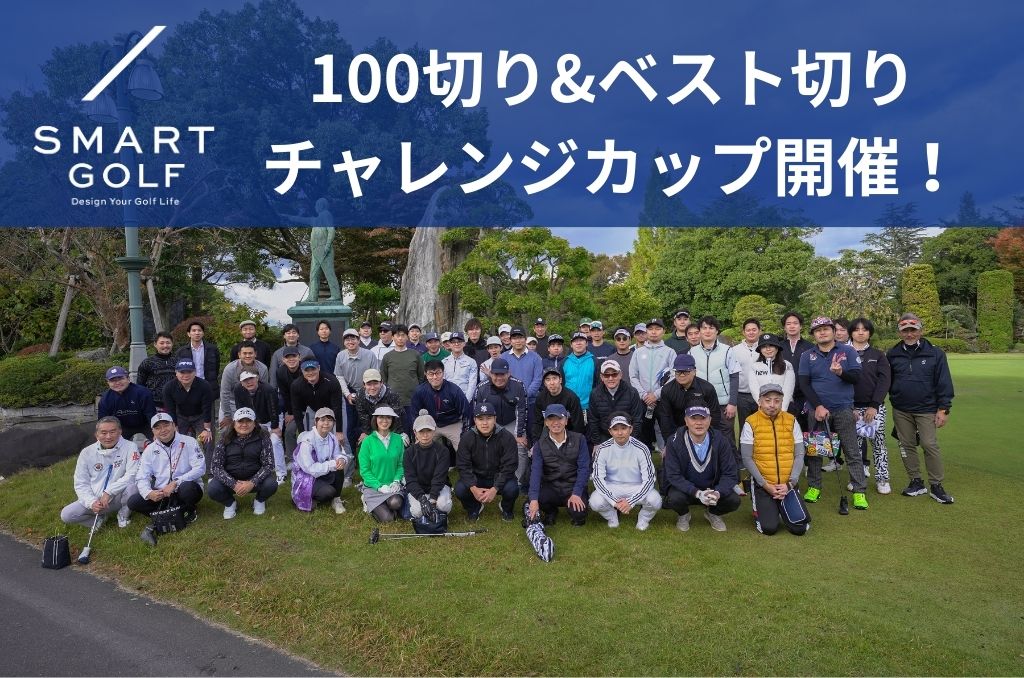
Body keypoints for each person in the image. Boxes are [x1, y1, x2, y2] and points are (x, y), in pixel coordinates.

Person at [798, 316, 866, 509]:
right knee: (815, 451)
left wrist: (840, 373)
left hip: (843, 409)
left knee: (852, 450)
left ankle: (859, 491)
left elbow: (857, 377)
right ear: (813, 335)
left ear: (834, 331)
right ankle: (814, 487)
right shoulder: (807, 355)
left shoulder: (848, 351)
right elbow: (804, 384)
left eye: (826, 329)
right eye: (817, 330)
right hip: (817, 411)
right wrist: (818, 406)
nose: (822, 332)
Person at [886, 313, 955, 504]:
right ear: (900, 332)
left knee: (929, 444)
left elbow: (944, 382)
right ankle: (916, 481)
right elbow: (886, 380)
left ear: (920, 331)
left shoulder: (935, 353)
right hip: (901, 409)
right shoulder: (893, 353)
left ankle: (936, 485)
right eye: (905, 330)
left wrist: (943, 409)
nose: (909, 334)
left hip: (927, 408)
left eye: (913, 330)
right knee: (906, 445)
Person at [740, 384, 810, 536]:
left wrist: (790, 484)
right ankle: (766, 508)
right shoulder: (750, 422)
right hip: (763, 485)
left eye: (777, 400)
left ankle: (780, 505)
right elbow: (746, 458)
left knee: (800, 529)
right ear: (759, 401)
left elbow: (799, 454)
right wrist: (765, 485)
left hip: (788, 485)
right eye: (767, 400)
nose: (772, 405)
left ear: (782, 401)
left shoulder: (791, 420)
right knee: (769, 528)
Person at [129, 413, 206, 546]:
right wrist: (149, 493)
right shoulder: (149, 450)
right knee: (133, 501)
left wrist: (176, 482)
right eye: (158, 428)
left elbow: (200, 468)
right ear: (153, 431)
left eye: (166, 425)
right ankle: (173, 513)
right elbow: (141, 476)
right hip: (162, 493)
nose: (163, 430)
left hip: (184, 488)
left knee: (188, 489)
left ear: (174, 425)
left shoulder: (189, 441)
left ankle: (189, 509)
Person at [663, 405, 740, 532]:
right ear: (686, 421)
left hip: (712, 490)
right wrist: (697, 493)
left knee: (733, 500)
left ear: (710, 420)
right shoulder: (674, 441)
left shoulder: (721, 440)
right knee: (674, 499)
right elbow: (673, 475)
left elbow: (730, 473)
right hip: (687, 491)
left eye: (703, 418)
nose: (699, 423)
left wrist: (717, 492)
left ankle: (713, 513)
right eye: (694, 418)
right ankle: (684, 515)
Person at [60, 416, 139, 529]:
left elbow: (133, 474)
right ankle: (98, 519)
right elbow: (81, 483)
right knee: (67, 515)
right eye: (104, 433)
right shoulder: (86, 452)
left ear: (120, 432)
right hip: (97, 500)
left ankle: (123, 515)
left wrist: (109, 492)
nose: (108, 436)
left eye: (113, 432)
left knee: (133, 488)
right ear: (96, 434)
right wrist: (92, 502)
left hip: (118, 497)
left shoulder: (131, 446)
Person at [589, 414, 661, 530]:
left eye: (623, 428)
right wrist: (614, 502)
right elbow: (598, 478)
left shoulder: (642, 448)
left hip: (636, 486)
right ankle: (612, 516)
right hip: (612, 486)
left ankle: (643, 518)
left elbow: (649, 480)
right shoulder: (602, 448)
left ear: (630, 429)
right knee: (595, 502)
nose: (620, 433)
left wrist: (630, 502)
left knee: (655, 500)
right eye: (615, 429)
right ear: (610, 431)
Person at [849, 317, 893, 495]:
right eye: (856, 329)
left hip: (874, 408)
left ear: (869, 333)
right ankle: (857, 479)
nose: (860, 332)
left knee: (878, 444)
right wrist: (850, 406)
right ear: (851, 333)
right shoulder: (843, 353)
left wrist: (874, 406)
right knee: (855, 447)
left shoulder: (878, 355)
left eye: (864, 329)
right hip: (851, 408)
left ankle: (882, 479)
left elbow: (884, 381)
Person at [527, 404, 591, 526]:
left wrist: (577, 493)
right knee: (535, 498)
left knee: (579, 514)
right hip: (552, 487)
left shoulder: (579, 439)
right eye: (551, 419)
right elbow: (535, 472)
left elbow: (584, 468)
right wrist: (534, 499)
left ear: (566, 421)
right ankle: (551, 512)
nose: (556, 423)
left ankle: (576, 507)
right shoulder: (539, 445)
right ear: (546, 422)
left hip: (572, 486)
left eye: (560, 418)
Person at [208, 407, 278, 518]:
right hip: (231, 478)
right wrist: (233, 484)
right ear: (234, 423)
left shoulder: (263, 438)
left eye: (248, 421)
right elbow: (216, 467)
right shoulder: (224, 438)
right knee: (213, 489)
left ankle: (259, 500)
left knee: (271, 484)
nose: (244, 425)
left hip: (255, 478)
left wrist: (252, 482)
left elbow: (269, 465)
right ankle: (230, 503)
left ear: (254, 424)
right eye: (240, 421)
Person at [455, 402, 520, 521]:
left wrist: (495, 488)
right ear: (475, 420)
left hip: (498, 476)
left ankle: (506, 508)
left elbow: (510, 466)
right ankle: (474, 507)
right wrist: (473, 488)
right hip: (477, 477)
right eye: (480, 419)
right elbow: (463, 465)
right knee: (460, 489)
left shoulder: (507, 437)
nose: (485, 423)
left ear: (495, 419)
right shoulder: (467, 438)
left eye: (489, 418)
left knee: (512, 489)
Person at [474, 358, 529, 488]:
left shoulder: (518, 385)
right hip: (491, 421)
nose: (499, 378)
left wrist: (519, 434)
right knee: (484, 446)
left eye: (502, 374)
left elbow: (522, 410)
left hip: (512, 421)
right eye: (495, 374)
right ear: (491, 374)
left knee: (520, 447)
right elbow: (477, 413)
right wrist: (484, 429)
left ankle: (517, 480)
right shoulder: (481, 388)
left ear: (508, 373)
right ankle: (489, 477)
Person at [688, 317, 740, 448]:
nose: (707, 331)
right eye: (704, 328)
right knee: (702, 437)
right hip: (700, 402)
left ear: (717, 331)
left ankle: (731, 460)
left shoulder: (727, 350)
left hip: (723, 404)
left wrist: (732, 403)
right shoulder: (692, 352)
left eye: (711, 328)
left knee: (726, 437)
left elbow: (734, 377)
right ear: (699, 331)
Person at [291, 407, 351, 513]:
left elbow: (338, 454)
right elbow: (310, 469)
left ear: (334, 423)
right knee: (328, 492)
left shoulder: (332, 437)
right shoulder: (307, 441)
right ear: (316, 422)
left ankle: (336, 500)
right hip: (307, 477)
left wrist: (341, 459)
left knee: (339, 466)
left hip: (322, 472)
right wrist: (332, 464)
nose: (326, 423)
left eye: (330, 420)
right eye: (322, 420)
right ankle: (307, 499)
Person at [629, 318, 676, 450]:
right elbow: (633, 376)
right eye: (650, 329)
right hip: (643, 401)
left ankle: (668, 460)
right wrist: (644, 395)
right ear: (646, 331)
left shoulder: (670, 352)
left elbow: (674, 376)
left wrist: (656, 394)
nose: (654, 332)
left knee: (667, 433)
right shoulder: (638, 352)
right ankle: (645, 461)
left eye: (657, 329)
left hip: (663, 400)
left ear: (663, 331)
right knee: (643, 434)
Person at [656, 353, 724, 444]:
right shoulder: (667, 390)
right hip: (677, 433)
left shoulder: (707, 388)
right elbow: (666, 419)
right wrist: (670, 442)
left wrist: (708, 438)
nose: (681, 375)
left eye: (686, 371)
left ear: (694, 371)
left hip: (703, 432)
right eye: (678, 371)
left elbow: (714, 416)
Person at [233, 370, 287, 484]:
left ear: (257, 378)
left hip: (272, 419)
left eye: (251, 378)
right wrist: (245, 425)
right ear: (241, 383)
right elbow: (240, 409)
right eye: (245, 380)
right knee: (249, 441)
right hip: (252, 420)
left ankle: (281, 473)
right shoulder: (238, 389)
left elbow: (273, 410)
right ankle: (252, 471)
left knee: (274, 441)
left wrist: (275, 427)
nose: (249, 382)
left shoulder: (268, 389)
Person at [358, 405, 408, 523]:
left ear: (392, 420)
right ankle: (367, 499)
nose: (384, 421)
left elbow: (401, 464)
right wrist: (379, 486)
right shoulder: (367, 442)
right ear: (375, 419)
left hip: (393, 486)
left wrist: (396, 480)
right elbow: (365, 471)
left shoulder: (398, 439)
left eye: (388, 418)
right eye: (381, 417)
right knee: (388, 519)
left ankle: (385, 504)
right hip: (373, 487)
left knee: (395, 503)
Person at [334, 327, 380, 455]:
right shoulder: (340, 356)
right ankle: (352, 455)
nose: (350, 342)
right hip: (349, 391)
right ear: (344, 342)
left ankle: (369, 453)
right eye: (347, 339)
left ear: (358, 340)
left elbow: (376, 374)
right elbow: (339, 377)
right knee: (350, 426)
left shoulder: (369, 354)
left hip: (368, 390)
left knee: (368, 423)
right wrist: (347, 394)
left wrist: (367, 391)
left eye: (353, 338)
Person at [411, 360, 471, 453]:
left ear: (443, 373)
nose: (435, 377)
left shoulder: (454, 390)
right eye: (431, 374)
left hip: (452, 423)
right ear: (426, 374)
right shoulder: (420, 391)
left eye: (438, 373)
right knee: (418, 449)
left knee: (464, 448)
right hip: (429, 424)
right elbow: (414, 414)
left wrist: (465, 432)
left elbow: (466, 412)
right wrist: (417, 432)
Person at [404, 409, 454, 520]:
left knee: (443, 506)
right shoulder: (409, 453)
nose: (425, 435)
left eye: (429, 430)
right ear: (415, 432)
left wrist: (432, 499)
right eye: (421, 431)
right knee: (417, 512)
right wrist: (422, 499)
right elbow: (410, 479)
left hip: (439, 487)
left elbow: (439, 477)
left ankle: (439, 506)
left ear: (434, 430)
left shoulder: (443, 451)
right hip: (419, 488)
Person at [162, 359, 214, 457]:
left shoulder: (205, 386)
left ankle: (209, 466)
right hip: (181, 416)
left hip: (200, 416)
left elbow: (207, 408)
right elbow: (170, 410)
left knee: (208, 439)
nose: (186, 375)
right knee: (174, 440)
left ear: (195, 372)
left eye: (189, 372)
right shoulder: (168, 388)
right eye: (182, 372)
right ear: (176, 373)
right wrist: (175, 428)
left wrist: (207, 429)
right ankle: (177, 463)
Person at [587, 361, 645, 447]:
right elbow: (593, 420)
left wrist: (632, 442)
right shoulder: (594, 394)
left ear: (620, 375)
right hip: (604, 437)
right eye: (606, 375)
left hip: (628, 437)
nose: (610, 378)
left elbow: (637, 420)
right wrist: (597, 443)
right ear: (601, 377)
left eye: (614, 374)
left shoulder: (632, 392)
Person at [380, 324, 426, 432]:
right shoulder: (387, 357)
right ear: (392, 337)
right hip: (393, 401)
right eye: (397, 335)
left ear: (407, 337)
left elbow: (421, 376)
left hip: (412, 400)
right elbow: (384, 378)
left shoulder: (415, 355)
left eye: (403, 335)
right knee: (396, 431)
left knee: (414, 429)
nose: (400, 338)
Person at [289, 359, 345, 440]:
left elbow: (337, 407)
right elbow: (296, 410)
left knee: (341, 438)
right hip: (313, 408)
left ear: (318, 368)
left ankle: (344, 448)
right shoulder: (296, 385)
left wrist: (339, 431)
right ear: (302, 371)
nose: (310, 373)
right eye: (307, 370)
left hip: (333, 408)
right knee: (311, 437)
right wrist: (301, 432)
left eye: (313, 369)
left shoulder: (332, 381)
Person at [219, 341, 269, 429]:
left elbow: (263, 391)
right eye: (244, 353)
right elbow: (225, 393)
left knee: (255, 429)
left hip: (253, 402)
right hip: (231, 402)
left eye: (250, 353)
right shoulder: (230, 369)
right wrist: (227, 415)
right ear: (239, 355)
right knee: (226, 430)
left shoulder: (262, 368)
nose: (248, 356)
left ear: (255, 354)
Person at [98, 366, 156, 441]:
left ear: (128, 379)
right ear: (108, 383)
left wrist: (156, 431)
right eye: (113, 380)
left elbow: (151, 415)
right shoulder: (105, 399)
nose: (117, 383)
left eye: (121, 379)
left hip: (145, 424)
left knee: (159, 439)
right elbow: (103, 421)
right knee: (112, 443)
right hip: (122, 427)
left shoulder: (143, 393)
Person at [354, 368, 407, 446]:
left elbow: (397, 417)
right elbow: (363, 417)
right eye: (369, 384)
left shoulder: (392, 394)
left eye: (375, 383)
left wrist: (398, 434)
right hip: (372, 426)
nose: (372, 387)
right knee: (365, 442)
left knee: (401, 443)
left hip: (393, 425)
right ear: (364, 385)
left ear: (381, 382)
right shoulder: (359, 396)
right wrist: (368, 433)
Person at [745, 333, 795, 413]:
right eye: (764, 347)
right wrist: (763, 407)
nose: (768, 349)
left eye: (771, 346)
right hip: (762, 409)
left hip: (785, 409)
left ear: (777, 348)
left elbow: (788, 389)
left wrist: (782, 411)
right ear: (760, 350)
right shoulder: (754, 367)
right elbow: (754, 389)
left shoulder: (787, 365)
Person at [531, 367, 586, 440]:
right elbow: (537, 423)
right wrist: (536, 442)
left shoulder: (572, 398)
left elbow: (578, 425)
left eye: (554, 378)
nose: (552, 383)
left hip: (569, 435)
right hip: (549, 435)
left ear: (560, 380)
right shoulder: (540, 398)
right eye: (548, 379)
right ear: (544, 383)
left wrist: (574, 443)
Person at [730, 318, 763, 434]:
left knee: (761, 428)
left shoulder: (765, 348)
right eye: (748, 330)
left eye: (754, 330)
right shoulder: (734, 350)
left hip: (761, 394)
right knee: (744, 428)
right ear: (743, 332)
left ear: (759, 331)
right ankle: (743, 447)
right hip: (742, 395)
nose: (751, 332)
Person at [780, 312, 815, 418]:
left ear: (801, 326)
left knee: (806, 426)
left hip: (805, 396)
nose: (792, 326)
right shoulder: (778, 348)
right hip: (783, 396)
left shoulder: (811, 347)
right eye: (788, 324)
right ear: (784, 327)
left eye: (795, 323)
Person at [137, 331, 177, 409]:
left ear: (172, 344)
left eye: (168, 343)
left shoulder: (178, 361)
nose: (165, 345)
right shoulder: (147, 362)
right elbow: (140, 385)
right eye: (162, 343)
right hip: (154, 404)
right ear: (155, 344)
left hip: (175, 403)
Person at [176, 320, 220, 390]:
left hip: (208, 386)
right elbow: (178, 370)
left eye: (199, 330)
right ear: (189, 334)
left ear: (203, 333)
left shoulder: (212, 349)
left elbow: (216, 368)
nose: (197, 333)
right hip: (189, 386)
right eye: (194, 330)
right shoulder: (181, 352)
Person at [268, 323, 314, 388]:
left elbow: (314, 370)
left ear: (298, 335)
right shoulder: (277, 354)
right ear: (284, 336)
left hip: (305, 388)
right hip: (284, 389)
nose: (291, 335)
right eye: (288, 333)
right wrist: (273, 390)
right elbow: (273, 374)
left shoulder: (307, 351)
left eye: (294, 332)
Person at [562, 332, 598, 411]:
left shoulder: (594, 361)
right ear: (571, 345)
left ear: (586, 343)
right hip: (569, 406)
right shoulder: (565, 362)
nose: (578, 343)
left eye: (581, 340)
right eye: (575, 341)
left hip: (589, 407)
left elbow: (598, 384)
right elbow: (561, 384)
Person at [443, 331, 478, 402]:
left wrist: (466, 401)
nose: (456, 344)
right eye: (453, 342)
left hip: (464, 399)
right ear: (449, 344)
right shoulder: (444, 362)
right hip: (447, 399)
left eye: (459, 341)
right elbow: (442, 382)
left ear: (464, 343)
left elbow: (472, 384)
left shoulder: (471, 362)